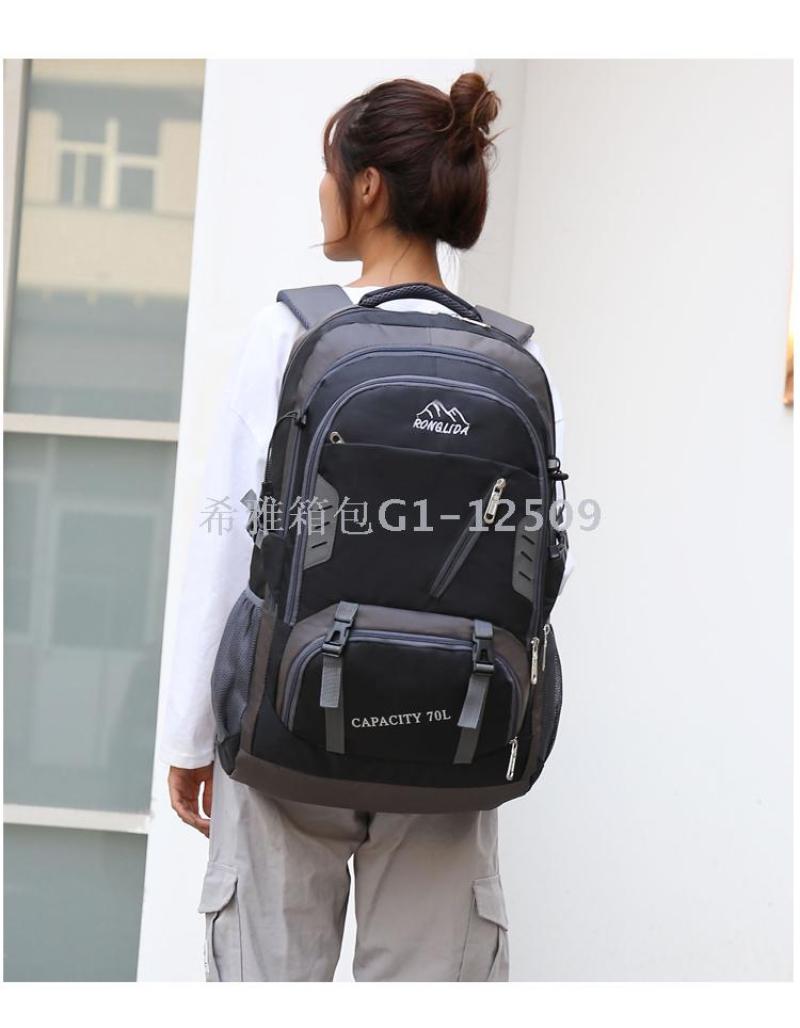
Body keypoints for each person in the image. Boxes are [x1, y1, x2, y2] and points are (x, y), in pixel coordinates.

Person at [159, 72, 565, 982]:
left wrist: (190, 735)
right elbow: (542, 568)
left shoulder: (290, 332)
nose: (322, 190)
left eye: (329, 169)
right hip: (456, 732)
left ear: (368, 186)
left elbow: (230, 543)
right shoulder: (517, 356)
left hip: (286, 729)